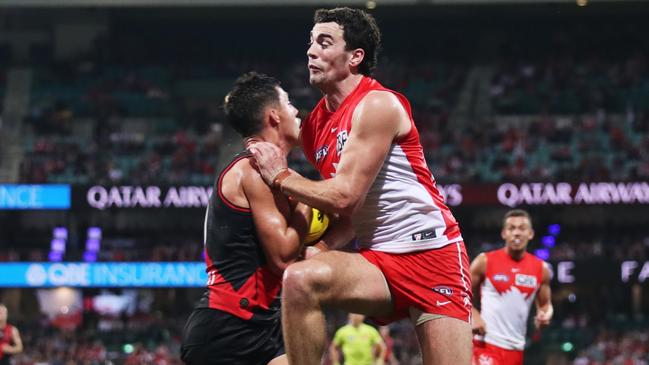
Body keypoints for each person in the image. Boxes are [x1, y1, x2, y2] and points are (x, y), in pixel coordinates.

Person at [250, 7, 472, 365]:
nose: (310, 51)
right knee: (300, 278)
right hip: (379, 262)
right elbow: (354, 211)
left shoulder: (378, 104)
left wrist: (280, 176)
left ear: (355, 57)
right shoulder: (314, 127)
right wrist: (323, 244)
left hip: (434, 256)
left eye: (324, 42)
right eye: (310, 43)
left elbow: (345, 196)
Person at [180, 72, 312, 365]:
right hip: (227, 330)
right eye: (289, 104)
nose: (297, 112)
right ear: (274, 117)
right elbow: (282, 258)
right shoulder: (253, 170)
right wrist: (306, 202)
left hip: (263, 325)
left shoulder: (273, 174)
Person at [470, 209, 553, 365]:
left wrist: (545, 315)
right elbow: (460, 293)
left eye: (522, 228)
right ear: (504, 233)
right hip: (485, 344)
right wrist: (473, 314)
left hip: (516, 349)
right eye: (511, 228)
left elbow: (545, 305)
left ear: (530, 234)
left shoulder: (541, 268)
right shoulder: (484, 261)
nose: (516, 233)